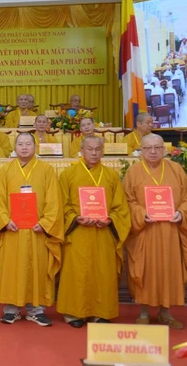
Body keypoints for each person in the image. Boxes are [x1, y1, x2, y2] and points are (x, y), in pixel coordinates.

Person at [0, 133, 64, 326]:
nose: (24, 147)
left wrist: (46, 223)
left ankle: (36, 310)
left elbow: (54, 200)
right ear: (15, 147)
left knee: (37, 268)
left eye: (28, 144)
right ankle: (11, 309)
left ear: (35, 146)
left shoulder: (46, 170)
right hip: (13, 230)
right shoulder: (6, 170)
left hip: (37, 230)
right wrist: (5, 221)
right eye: (21, 144)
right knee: (12, 269)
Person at [57, 137, 131, 327]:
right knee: (77, 272)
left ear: (103, 151)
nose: (94, 153)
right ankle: (74, 313)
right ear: (81, 151)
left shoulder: (111, 175)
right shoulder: (68, 174)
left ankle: (101, 312)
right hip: (78, 232)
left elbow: (120, 207)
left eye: (98, 149)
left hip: (103, 232)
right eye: (89, 149)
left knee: (103, 272)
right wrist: (75, 217)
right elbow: (62, 204)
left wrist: (111, 219)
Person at [123, 133, 187, 329]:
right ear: (141, 150)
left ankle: (165, 312)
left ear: (164, 150)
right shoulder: (133, 171)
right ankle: (143, 311)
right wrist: (141, 214)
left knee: (168, 270)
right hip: (145, 231)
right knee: (145, 270)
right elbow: (126, 201)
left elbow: (186, 198)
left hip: (170, 231)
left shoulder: (176, 169)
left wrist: (181, 213)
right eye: (148, 148)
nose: (152, 151)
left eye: (157, 147)